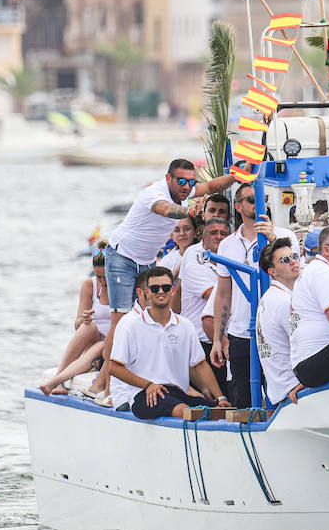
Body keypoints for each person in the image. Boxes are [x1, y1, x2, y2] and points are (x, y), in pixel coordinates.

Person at [102, 159, 238, 375]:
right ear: (168, 179)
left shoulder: (185, 191)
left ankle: (121, 376)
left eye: (190, 182)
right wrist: (192, 210)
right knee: (121, 320)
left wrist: (238, 174)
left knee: (144, 319)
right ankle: (106, 387)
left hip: (146, 261)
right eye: (181, 181)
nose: (186, 186)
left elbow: (212, 187)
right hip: (122, 256)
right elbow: (166, 210)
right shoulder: (154, 194)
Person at [105, 267, 231, 419]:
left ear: (172, 290)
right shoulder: (130, 324)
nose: (160, 292)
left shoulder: (185, 325)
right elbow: (114, 367)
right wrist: (148, 384)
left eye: (165, 287)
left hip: (177, 392)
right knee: (185, 410)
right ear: (147, 292)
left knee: (219, 411)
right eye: (154, 288)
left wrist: (220, 398)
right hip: (143, 394)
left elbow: (200, 365)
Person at [212, 182, 295, 407]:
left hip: (277, 328)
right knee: (244, 398)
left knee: (284, 393)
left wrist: (272, 239)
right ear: (238, 207)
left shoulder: (285, 237)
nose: (259, 205)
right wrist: (218, 340)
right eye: (251, 199)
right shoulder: (227, 245)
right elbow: (223, 294)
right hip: (241, 331)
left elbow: (295, 276)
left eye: (262, 200)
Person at [39, 243, 112, 396]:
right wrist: (84, 319)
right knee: (88, 327)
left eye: (106, 276)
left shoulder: (122, 287)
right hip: (92, 343)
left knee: (102, 344)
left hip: (109, 348)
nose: (103, 282)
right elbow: (77, 325)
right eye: (99, 277)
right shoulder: (89, 285)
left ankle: (55, 380)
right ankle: (59, 377)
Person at [290, 225, 329, 388]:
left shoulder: (321, 270)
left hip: (311, 361)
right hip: (318, 358)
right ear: (326, 250)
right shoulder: (323, 272)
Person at [181, 217, 229, 390]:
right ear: (203, 238)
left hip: (225, 339)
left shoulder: (231, 266)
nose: (218, 237)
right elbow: (220, 297)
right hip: (201, 343)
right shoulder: (194, 266)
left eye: (223, 233)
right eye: (213, 233)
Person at [255, 238, 303, 405]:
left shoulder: (271, 298)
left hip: (282, 390)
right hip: (296, 390)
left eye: (295, 256)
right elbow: (305, 344)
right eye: (285, 260)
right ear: (272, 272)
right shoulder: (283, 302)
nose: (293, 262)